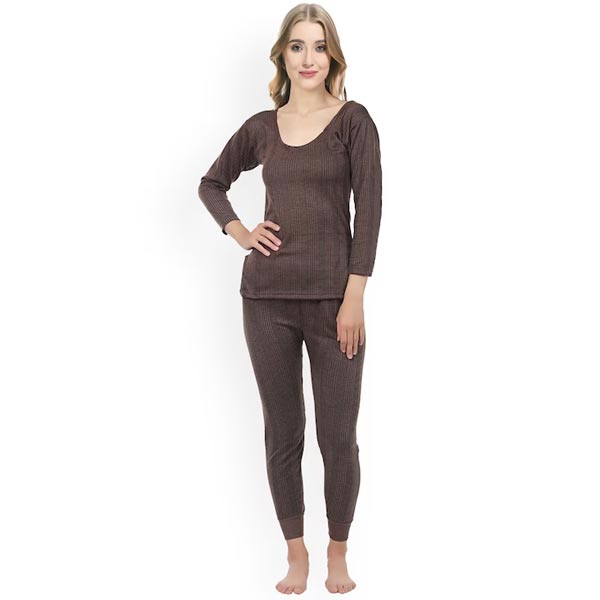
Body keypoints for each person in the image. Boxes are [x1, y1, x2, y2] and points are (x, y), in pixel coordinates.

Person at [198, 4, 382, 594]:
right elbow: (211, 183)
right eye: (297, 46)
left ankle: (337, 550)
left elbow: (369, 213)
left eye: (319, 46)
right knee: (283, 433)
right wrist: (240, 232)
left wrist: (354, 297)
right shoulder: (261, 127)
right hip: (266, 300)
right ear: (282, 54)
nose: (308, 58)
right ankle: (296, 552)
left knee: (338, 436)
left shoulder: (353, 122)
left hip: (334, 303)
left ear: (333, 56)